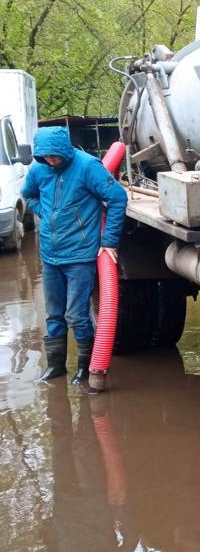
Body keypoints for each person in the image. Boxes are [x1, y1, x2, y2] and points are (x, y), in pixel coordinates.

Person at [22, 127, 128, 384]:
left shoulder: (87, 167)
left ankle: (84, 368)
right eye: (45, 156)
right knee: (53, 314)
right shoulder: (39, 170)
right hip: (50, 255)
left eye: (54, 156)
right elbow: (28, 194)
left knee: (77, 315)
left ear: (64, 150)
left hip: (80, 256)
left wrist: (109, 241)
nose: (50, 161)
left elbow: (117, 198)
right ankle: (56, 366)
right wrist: (43, 212)